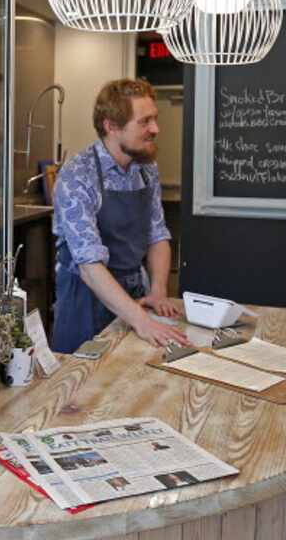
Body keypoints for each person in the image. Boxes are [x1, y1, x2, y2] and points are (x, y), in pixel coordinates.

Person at [51, 79, 187, 353]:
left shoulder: (146, 168)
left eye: (155, 119)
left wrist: (158, 289)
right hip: (85, 299)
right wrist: (143, 323)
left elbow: (157, 234)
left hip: (136, 291)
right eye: (145, 121)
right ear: (111, 126)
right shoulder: (78, 175)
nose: (155, 129)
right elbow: (89, 266)